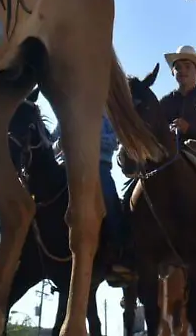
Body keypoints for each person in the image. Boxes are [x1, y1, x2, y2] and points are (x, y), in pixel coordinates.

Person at [48, 105, 133, 280]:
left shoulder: (109, 114)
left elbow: (113, 142)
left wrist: (87, 139)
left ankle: (119, 253)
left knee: (110, 200)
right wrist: (62, 143)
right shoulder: (68, 110)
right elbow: (51, 143)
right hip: (67, 165)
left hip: (97, 165)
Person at [159, 46, 196, 143]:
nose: (182, 70)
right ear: (173, 72)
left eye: (187, 66)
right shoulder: (164, 102)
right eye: (178, 67)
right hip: (168, 155)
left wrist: (189, 129)